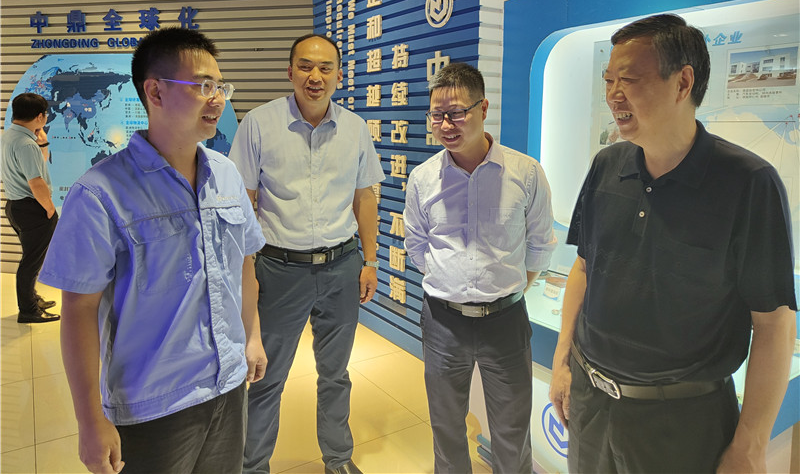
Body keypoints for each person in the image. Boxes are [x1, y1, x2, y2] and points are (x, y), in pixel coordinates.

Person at [549, 14, 797, 473]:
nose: (613, 94)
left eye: (629, 80)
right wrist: (563, 357)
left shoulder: (748, 183)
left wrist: (750, 446)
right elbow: (584, 266)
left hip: (682, 422)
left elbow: (774, 324)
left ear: (683, 82)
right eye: (608, 80)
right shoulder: (607, 164)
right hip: (590, 405)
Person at [37, 27, 268, 474]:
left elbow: (244, 264)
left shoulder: (226, 174)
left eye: (221, 86)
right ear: (155, 92)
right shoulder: (100, 193)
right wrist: (90, 421)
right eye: (203, 86)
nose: (218, 99)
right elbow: (79, 311)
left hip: (227, 384)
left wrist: (252, 336)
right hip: (153, 404)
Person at [229, 33, 384, 474]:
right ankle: (253, 466)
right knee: (266, 376)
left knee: (336, 373)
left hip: (342, 266)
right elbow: (243, 202)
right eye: (305, 66)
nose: (315, 76)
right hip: (280, 269)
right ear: (290, 71)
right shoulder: (259, 124)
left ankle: (338, 458)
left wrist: (370, 260)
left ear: (339, 75)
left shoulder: (354, 128)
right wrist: (247, 272)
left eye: (325, 68)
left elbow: (365, 197)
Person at [404, 63, 557, 473]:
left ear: (483, 108)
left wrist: (507, 289)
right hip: (442, 321)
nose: (445, 125)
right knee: (447, 427)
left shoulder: (525, 173)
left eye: (456, 113)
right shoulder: (423, 178)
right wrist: (450, 282)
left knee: (512, 429)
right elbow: (416, 244)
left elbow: (540, 244)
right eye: (437, 115)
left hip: (505, 321)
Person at [2, 93, 59, 323]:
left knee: (31, 258)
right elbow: (36, 182)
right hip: (32, 209)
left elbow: (38, 165)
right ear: (39, 116)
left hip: (15, 207)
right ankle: (28, 311)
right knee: (31, 263)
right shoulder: (26, 144)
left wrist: (42, 142)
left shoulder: (10, 136)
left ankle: (31, 300)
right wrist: (50, 209)